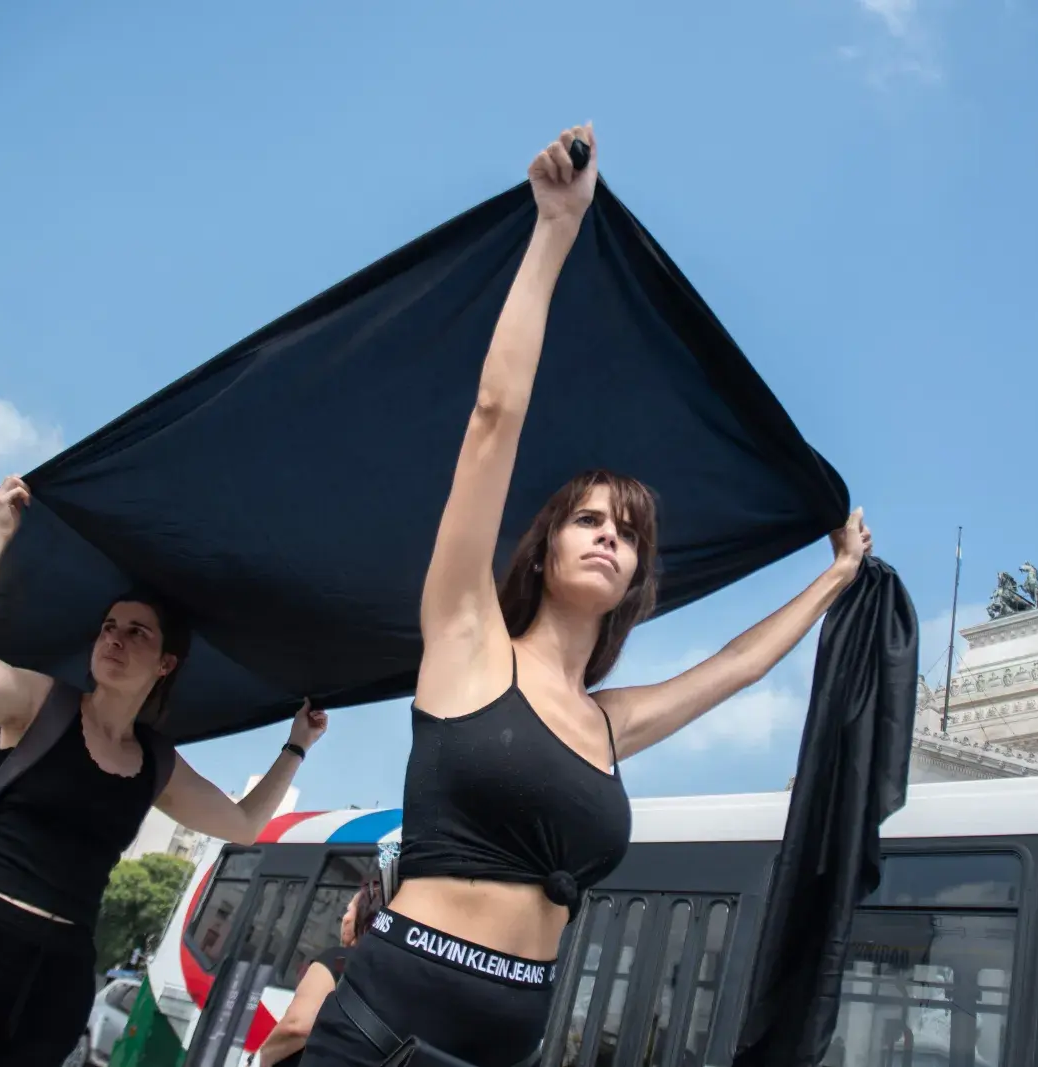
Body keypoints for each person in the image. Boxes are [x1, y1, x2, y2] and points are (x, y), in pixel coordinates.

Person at [303, 124, 873, 1066]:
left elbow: (737, 664)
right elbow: (494, 421)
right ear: (545, 546)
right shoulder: (465, 636)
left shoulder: (611, 724)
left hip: (511, 1044)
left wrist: (836, 574)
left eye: (632, 531)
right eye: (591, 519)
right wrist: (556, 228)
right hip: (383, 1030)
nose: (613, 534)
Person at [0, 475, 331, 1067]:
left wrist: (296, 746)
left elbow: (245, 824)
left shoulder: (156, 761)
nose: (115, 640)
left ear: (166, 662)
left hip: (51, 975)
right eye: (108, 628)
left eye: (136, 632)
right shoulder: (40, 702)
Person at [255, 875, 385, 1067]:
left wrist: (261, 1058)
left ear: (364, 918)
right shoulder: (387, 974)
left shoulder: (337, 960)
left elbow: (297, 1026)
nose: (344, 918)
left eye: (349, 910)